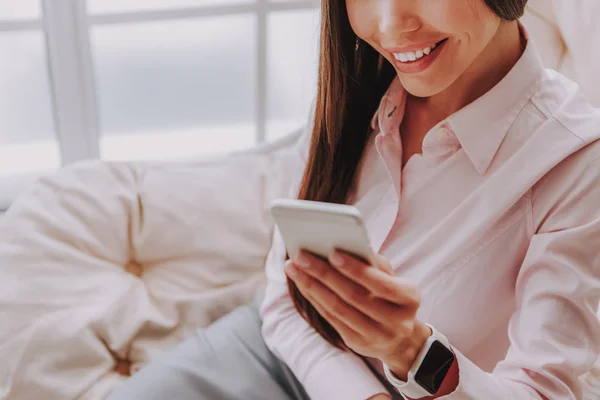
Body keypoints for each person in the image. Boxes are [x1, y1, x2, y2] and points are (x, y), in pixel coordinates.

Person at [107, 0, 600, 399]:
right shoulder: (359, 84)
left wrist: (411, 352)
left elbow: (543, 390)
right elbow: (283, 296)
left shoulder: (576, 162)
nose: (390, 25)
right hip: (279, 348)